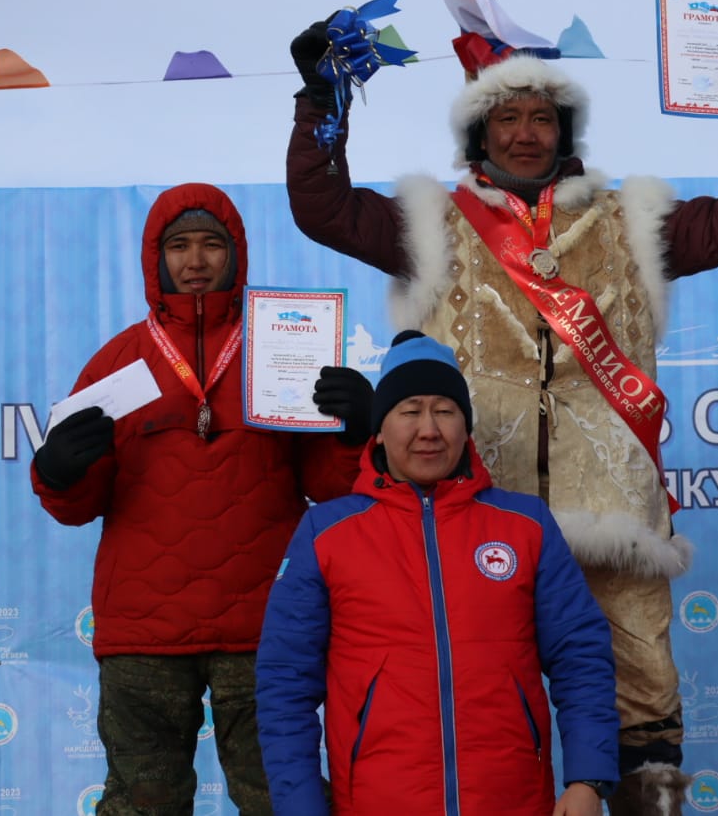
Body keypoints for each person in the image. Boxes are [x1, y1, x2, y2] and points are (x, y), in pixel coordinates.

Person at [284, 16, 718, 811]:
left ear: (565, 129)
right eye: (508, 117)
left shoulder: (631, 221)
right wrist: (321, 101)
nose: (526, 133)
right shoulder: (435, 225)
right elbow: (322, 208)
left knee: (641, 713)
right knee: (477, 712)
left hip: (615, 516)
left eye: (542, 117)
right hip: (478, 516)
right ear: (481, 130)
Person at [31, 182, 372, 815]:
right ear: (154, 258)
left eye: (211, 244)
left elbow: (329, 487)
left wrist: (354, 431)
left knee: (283, 798)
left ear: (236, 254)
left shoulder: (281, 351)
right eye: (179, 246)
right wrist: (55, 471)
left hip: (264, 626)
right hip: (144, 632)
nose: (195, 261)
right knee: (141, 803)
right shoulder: (117, 364)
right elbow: (76, 505)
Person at [255, 330, 620, 816]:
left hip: (512, 802)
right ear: (379, 429)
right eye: (409, 410)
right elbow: (285, 683)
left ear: (465, 427)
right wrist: (300, 806)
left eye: (445, 411)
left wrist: (586, 779)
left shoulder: (524, 525)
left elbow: (581, 656)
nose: (429, 429)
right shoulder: (326, 532)